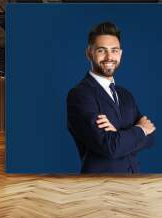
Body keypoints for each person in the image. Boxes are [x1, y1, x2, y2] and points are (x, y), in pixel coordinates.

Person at [67, 22, 156, 174]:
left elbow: (152, 137)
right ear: (89, 53)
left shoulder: (125, 95)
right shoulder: (80, 95)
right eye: (102, 50)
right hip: (100, 188)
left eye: (114, 50)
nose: (109, 57)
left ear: (120, 54)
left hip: (133, 185)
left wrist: (118, 135)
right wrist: (139, 130)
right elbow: (110, 147)